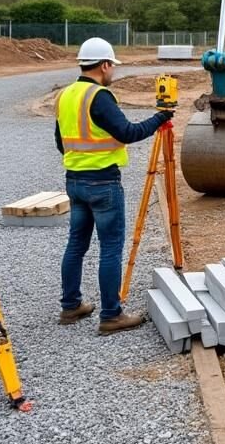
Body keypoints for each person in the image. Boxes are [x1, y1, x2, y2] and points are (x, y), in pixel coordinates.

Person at [55, 37, 173, 335]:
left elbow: (60, 142)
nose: (113, 73)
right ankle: (111, 315)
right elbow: (128, 132)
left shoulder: (66, 95)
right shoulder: (99, 95)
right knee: (110, 248)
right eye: (112, 67)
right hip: (103, 182)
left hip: (75, 181)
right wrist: (160, 118)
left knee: (76, 244)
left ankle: (71, 306)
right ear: (105, 65)